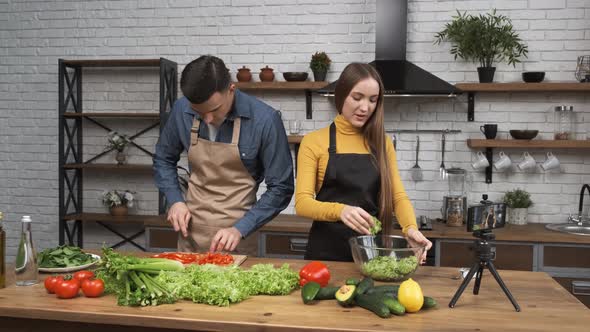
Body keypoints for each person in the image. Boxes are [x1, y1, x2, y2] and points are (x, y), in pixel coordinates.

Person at [153, 55, 294, 253]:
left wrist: (240, 229)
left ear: (231, 89)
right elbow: (163, 159)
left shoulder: (265, 120)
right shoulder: (181, 109)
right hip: (190, 236)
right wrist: (175, 200)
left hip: (238, 239)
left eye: (214, 109)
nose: (208, 119)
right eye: (199, 112)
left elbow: (281, 187)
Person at [295, 63, 432, 262]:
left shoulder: (382, 143)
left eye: (373, 100)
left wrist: (410, 228)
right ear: (341, 95)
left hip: (370, 254)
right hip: (324, 253)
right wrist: (341, 210)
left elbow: (397, 196)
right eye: (357, 98)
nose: (365, 108)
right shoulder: (314, 141)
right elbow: (302, 203)